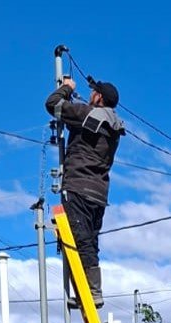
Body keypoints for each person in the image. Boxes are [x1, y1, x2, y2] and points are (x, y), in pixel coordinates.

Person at [45, 77, 125, 308]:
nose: (90, 94)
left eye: (94, 92)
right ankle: (85, 293)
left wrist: (66, 88)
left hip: (79, 186)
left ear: (99, 97)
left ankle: (92, 292)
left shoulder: (88, 114)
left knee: (81, 241)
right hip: (98, 193)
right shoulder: (112, 124)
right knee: (89, 241)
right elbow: (77, 125)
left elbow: (52, 104)